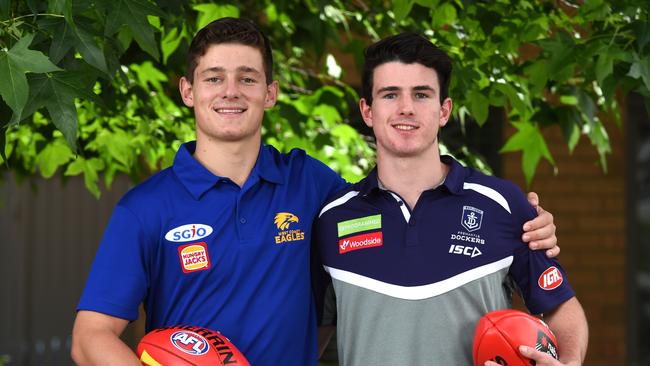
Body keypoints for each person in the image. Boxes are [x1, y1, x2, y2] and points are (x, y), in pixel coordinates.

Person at [71, 18, 559, 366]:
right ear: (187, 91)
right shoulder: (145, 208)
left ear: (271, 93)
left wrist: (526, 221)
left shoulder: (311, 185)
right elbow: (90, 337)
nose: (231, 92)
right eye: (213, 78)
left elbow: (393, 204)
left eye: (248, 78)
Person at [314, 33, 588, 366]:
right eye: (390, 95)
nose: (406, 108)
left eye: (421, 94)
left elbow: (560, 305)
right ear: (367, 110)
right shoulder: (332, 219)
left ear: (444, 110)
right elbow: (307, 337)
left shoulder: (502, 204)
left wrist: (569, 363)